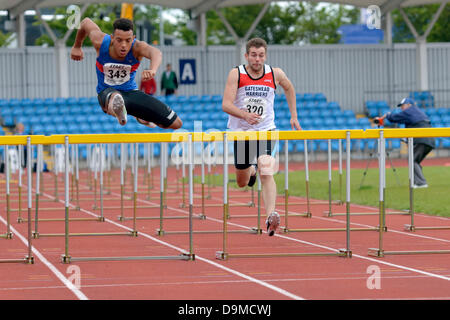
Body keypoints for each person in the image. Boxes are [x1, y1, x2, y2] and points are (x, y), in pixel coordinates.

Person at [222, 37, 301, 236]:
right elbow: (226, 104)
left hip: (266, 131)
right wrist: (245, 115)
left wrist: (294, 116)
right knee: (241, 181)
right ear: (247, 56)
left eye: (261, 55)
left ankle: (271, 215)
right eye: (254, 55)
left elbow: (289, 88)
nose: (257, 59)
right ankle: (251, 171)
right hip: (241, 133)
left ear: (265, 56)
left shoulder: (275, 73)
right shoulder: (236, 74)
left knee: (267, 170)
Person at [70, 18, 182, 130]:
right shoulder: (100, 41)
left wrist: (153, 69)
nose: (124, 45)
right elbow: (85, 22)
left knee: (176, 124)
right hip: (107, 92)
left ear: (133, 38)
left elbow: (156, 52)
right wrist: (77, 46)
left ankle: (140, 116)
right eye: (119, 40)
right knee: (115, 97)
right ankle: (119, 111)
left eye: (128, 40)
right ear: (112, 38)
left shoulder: (137, 47)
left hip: (131, 93)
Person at [377, 97, 435, 188]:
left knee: (412, 160)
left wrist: (388, 115)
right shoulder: (417, 112)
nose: (401, 108)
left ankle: (421, 183)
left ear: (409, 105)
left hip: (422, 139)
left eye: (402, 106)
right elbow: (411, 126)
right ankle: (418, 182)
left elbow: (395, 118)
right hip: (429, 140)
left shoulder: (410, 111)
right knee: (415, 160)